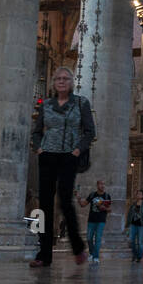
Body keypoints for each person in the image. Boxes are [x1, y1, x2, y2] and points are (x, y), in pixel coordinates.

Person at [30, 67, 95, 268]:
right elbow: (36, 131)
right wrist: (39, 148)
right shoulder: (46, 105)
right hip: (47, 155)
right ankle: (44, 254)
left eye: (65, 78)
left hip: (69, 155)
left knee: (65, 201)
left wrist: (77, 150)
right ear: (53, 83)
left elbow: (89, 131)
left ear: (71, 82)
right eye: (57, 78)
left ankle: (77, 247)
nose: (61, 81)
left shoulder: (81, 103)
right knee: (45, 205)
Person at [78, 179, 111, 265]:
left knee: (98, 239)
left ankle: (96, 257)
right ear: (97, 185)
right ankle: (92, 253)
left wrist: (105, 208)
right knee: (89, 238)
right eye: (101, 184)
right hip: (91, 220)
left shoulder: (107, 196)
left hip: (101, 221)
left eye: (103, 184)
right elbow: (83, 205)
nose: (102, 186)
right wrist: (78, 198)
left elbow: (109, 209)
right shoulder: (92, 195)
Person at [125, 190, 143, 264]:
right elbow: (129, 215)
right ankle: (134, 255)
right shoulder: (133, 204)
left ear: (142, 196)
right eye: (137, 194)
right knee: (131, 241)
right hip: (133, 225)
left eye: (140, 194)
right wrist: (127, 225)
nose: (138, 195)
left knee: (139, 242)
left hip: (141, 225)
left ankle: (139, 257)